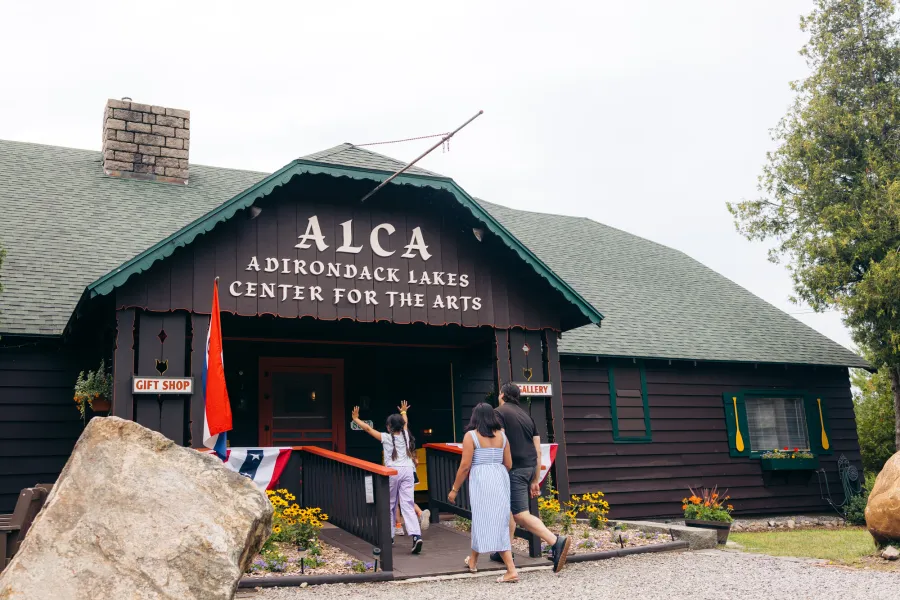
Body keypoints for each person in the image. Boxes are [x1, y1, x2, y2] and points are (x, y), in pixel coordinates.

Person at [494, 381, 570, 573]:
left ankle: (556, 541)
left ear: (502, 395)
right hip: (529, 467)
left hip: (514, 468)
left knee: (520, 514)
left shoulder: (499, 413)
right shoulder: (527, 417)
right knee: (510, 509)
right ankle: (504, 550)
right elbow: (537, 450)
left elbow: (501, 442)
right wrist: (535, 479)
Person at [448, 402, 518, 583]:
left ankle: (511, 570)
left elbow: (465, 466)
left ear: (475, 417)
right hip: (500, 477)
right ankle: (473, 560)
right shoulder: (502, 436)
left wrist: (455, 489)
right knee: (489, 520)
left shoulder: (471, 436)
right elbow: (509, 463)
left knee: (488, 521)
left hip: (481, 479)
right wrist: (497, 473)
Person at [352, 401, 423, 554]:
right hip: (408, 471)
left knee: (390, 504)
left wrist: (356, 419)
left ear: (389, 427)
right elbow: (406, 423)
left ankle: (389, 536)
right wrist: (404, 412)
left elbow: (368, 429)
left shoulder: (386, 437)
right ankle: (416, 536)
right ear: (401, 425)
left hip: (392, 472)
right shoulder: (406, 435)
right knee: (408, 504)